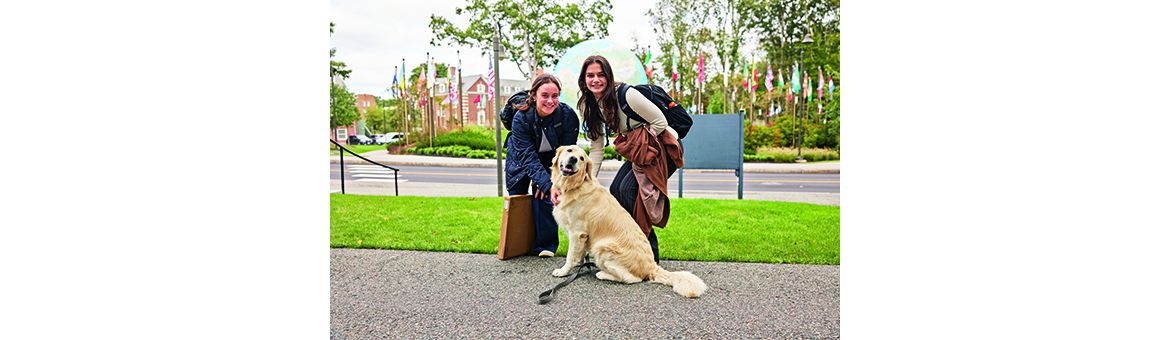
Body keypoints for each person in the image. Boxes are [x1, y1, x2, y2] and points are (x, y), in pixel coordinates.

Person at [556, 55, 682, 263]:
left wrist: (638, 140)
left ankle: (649, 257)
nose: (596, 80)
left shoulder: (626, 94)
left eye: (600, 75)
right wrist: (589, 179)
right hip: (639, 150)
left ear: (608, 76)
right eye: (590, 76)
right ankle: (632, 251)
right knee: (617, 191)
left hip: (662, 147)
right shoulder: (588, 105)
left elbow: (660, 121)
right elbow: (596, 147)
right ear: (583, 79)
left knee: (629, 191)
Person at [504, 74, 580, 257]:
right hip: (521, 159)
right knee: (518, 200)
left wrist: (547, 183)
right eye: (545, 95)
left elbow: (565, 154)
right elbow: (527, 156)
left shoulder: (568, 116)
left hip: (550, 161)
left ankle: (545, 247)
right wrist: (542, 180)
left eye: (555, 96)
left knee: (547, 195)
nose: (550, 101)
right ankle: (518, 245)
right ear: (534, 95)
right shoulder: (521, 117)